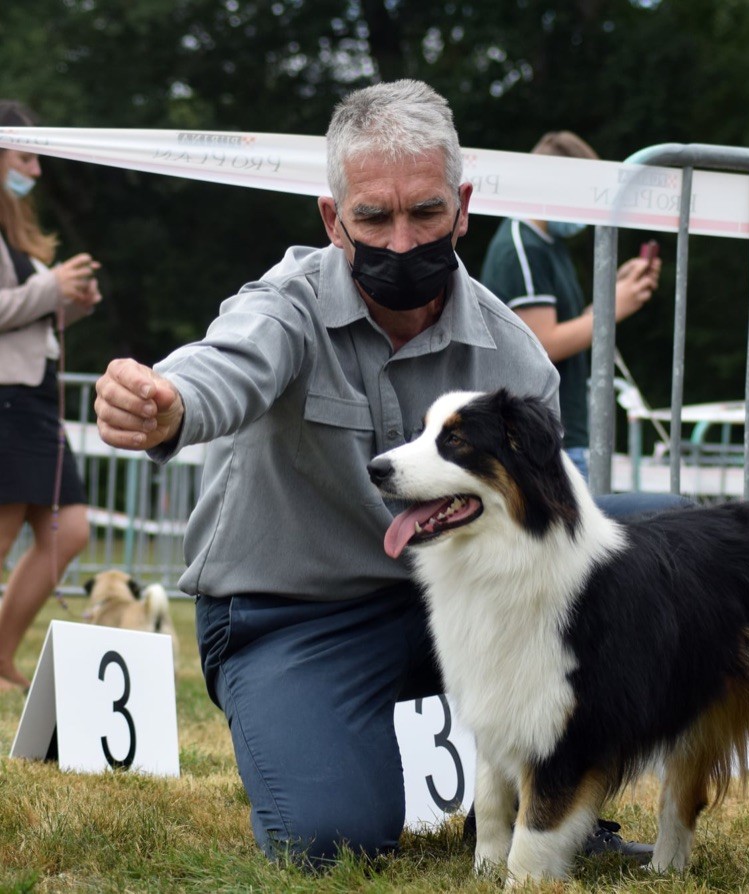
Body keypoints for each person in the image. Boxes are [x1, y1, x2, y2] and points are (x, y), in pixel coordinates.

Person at [94, 80, 680, 867]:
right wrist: (168, 405)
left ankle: (547, 799)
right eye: (374, 216)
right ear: (333, 219)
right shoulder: (286, 306)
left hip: (459, 597)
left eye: (426, 212)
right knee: (328, 842)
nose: (402, 242)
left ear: (463, 206)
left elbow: (551, 527)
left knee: (659, 529)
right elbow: (225, 365)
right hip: (294, 616)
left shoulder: (519, 360)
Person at [479, 130, 661, 480]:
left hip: (561, 431)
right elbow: (543, 343)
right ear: (553, 184)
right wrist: (613, 309)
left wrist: (617, 293)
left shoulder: (546, 244)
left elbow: (566, 327)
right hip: (546, 438)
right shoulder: (522, 246)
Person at [0, 100, 102, 692]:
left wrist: (68, 304)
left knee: (72, 531)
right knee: (7, 530)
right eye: (25, 157)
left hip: (33, 397)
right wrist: (49, 287)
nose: (36, 171)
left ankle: (1, 654)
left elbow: (26, 318)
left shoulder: (17, 227)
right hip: (9, 401)